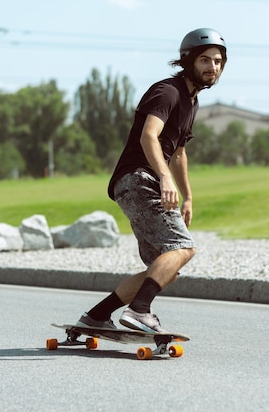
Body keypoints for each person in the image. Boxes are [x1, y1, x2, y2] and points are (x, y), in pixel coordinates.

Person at [76, 28, 227, 333]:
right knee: (183, 248)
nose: (213, 67)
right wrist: (164, 178)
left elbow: (179, 153)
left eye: (218, 61)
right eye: (205, 60)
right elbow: (149, 136)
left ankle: (96, 314)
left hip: (138, 182)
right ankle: (140, 311)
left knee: (164, 268)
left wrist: (188, 197)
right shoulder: (168, 91)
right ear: (188, 61)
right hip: (140, 178)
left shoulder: (191, 102)